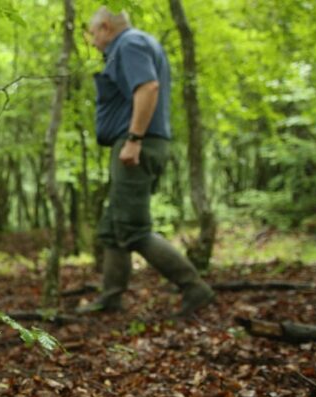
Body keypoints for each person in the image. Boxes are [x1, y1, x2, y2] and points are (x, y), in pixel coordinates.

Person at [77, 6, 214, 318]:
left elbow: (148, 87)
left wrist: (134, 139)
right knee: (114, 227)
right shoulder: (135, 43)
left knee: (133, 229)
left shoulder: (130, 43)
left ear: (107, 27)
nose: (93, 41)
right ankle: (111, 297)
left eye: (94, 33)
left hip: (136, 144)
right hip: (132, 143)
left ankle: (194, 287)